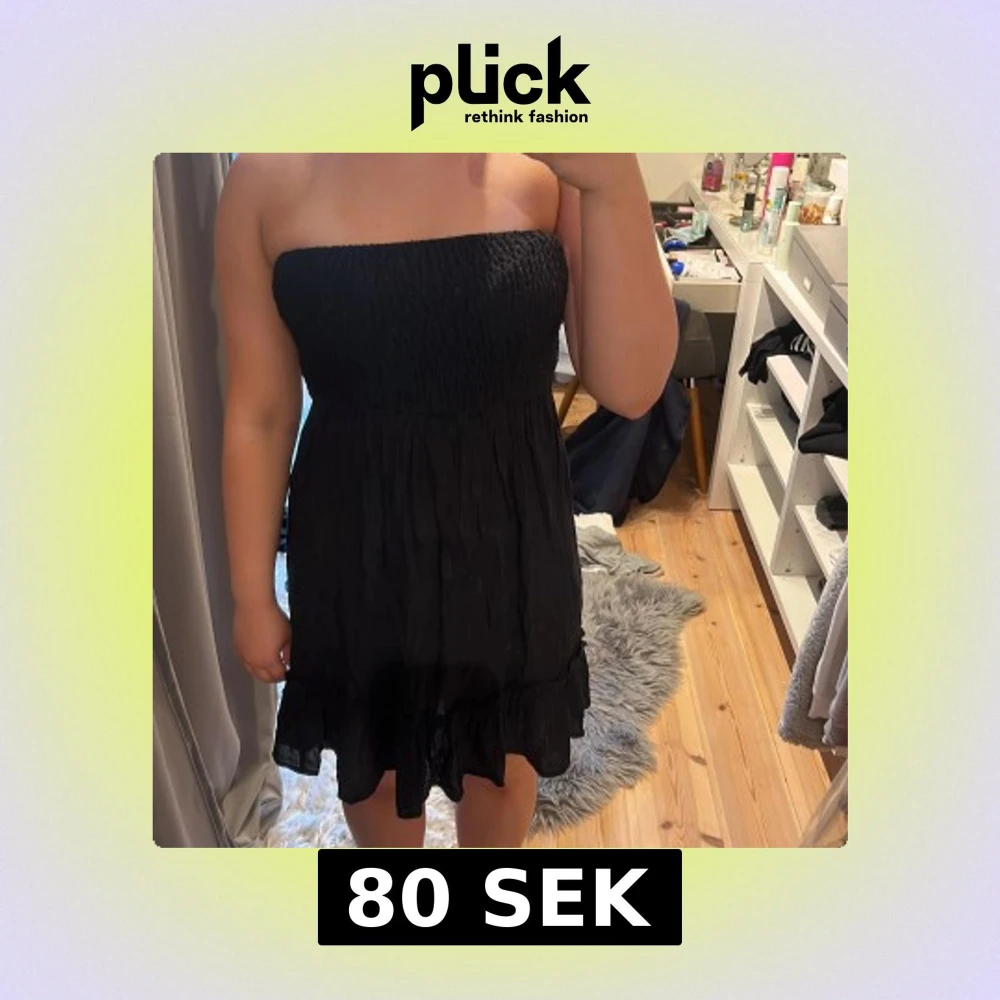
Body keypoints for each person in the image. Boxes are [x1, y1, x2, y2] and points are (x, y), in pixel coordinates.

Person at [214, 153, 677, 848]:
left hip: (511, 538)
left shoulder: (550, 156)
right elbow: (260, 412)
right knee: (375, 766)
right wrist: (251, 596)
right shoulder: (265, 180)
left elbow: (632, 387)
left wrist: (612, 179)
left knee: (503, 760)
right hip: (357, 544)